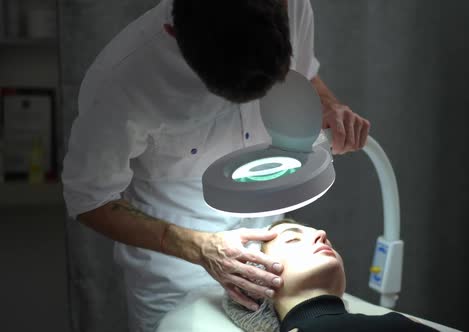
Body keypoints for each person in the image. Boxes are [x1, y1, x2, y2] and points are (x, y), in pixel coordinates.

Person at [61, 0, 371, 331]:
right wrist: (202, 248)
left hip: (273, 263)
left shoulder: (292, 6)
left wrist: (327, 107)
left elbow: (306, 74)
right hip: (178, 273)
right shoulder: (122, 80)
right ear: (173, 32)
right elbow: (89, 200)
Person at [223, 219, 438, 332]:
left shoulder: (398, 321)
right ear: (254, 282)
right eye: (293, 240)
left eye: (325, 239)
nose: (321, 234)